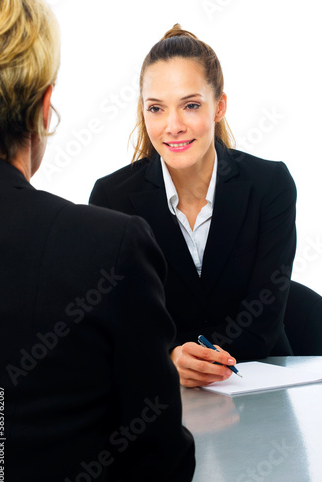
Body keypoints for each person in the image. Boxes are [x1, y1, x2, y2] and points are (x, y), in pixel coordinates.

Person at [0, 3, 195, 482]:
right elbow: (153, 467)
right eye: (156, 107)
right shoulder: (109, 242)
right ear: (44, 105)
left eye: (189, 105)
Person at [89, 24, 297, 388]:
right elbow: (118, 323)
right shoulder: (111, 199)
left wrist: (189, 356)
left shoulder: (270, 185)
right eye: (157, 108)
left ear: (219, 106)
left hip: (259, 382)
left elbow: (263, 322)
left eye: (190, 105)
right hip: (160, 393)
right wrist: (168, 359)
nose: (173, 126)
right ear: (143, 111)